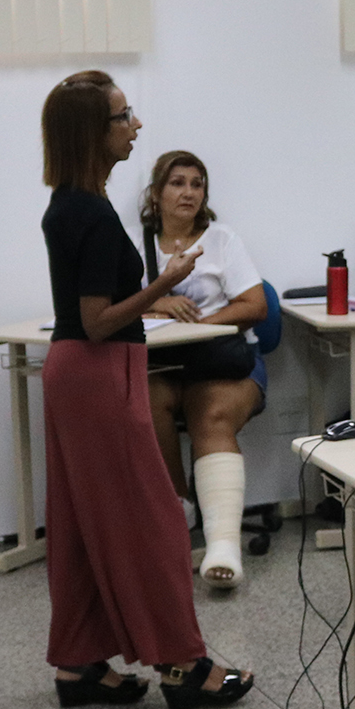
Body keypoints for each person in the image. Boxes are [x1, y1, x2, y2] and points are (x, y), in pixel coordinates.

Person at [37, 71, 251, 709]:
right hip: (98, 372)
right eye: (124, 116)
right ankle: (183, 665)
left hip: (82, 374)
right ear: (92, 132)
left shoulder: (73, 203)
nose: (135, 125)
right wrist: (166, 282)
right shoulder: (88, 212)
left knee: (82, 528)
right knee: (153, 524)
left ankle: (79, 663)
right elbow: (99, 321)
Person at [138, 150, 270, 589]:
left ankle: (223, 546)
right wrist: (160, 302)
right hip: (163, 366)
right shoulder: (133, 242)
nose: (189, 192)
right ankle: (180, 511)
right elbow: (117, 306)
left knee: (209, 415)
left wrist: (199, 325)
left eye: (197, 184)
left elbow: (255, 306)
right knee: (144, 403)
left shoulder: (221, 240)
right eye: (177, 183)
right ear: (156, 194)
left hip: (225, 362)